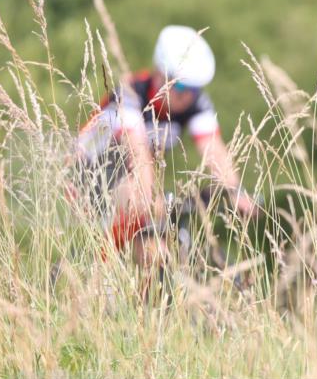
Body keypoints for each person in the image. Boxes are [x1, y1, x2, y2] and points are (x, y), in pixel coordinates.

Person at [74, 25, 256, 265]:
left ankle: (142, 296)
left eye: (194, 89)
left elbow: (214, 148)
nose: (188, 96)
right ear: (160, 74)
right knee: (142, 204)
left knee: (158, 255)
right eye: (180, 87)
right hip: (86, 175)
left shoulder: (194, 102)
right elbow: (138, 155)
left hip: (128, 177)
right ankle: (93, 270)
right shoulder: (129, 96)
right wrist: (152, 198)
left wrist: (235, 190)